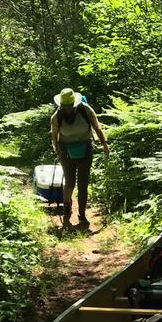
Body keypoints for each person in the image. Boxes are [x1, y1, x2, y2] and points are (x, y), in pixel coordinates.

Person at [51, 88, 109, 230]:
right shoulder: (56, 117)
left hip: (86, 149)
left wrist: (104, 144)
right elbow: (54, 136)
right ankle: (67, 211)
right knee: (70, 182)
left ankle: (82, 214)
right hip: (66, 152)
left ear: (75, 105)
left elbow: (97, 127)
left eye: (70, 107)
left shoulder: (85, 110)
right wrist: (58, 150)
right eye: (65, 107)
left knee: (83, 183)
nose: (67, 110)